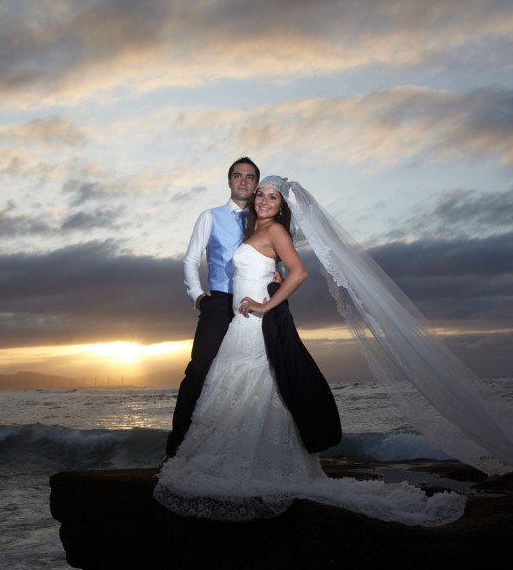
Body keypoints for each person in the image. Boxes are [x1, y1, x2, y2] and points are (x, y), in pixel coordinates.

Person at [154, 176, 468, 527]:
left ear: (282, 205)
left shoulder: (275, 231)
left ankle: (260, 463)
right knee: (236, 389)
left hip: (256, 325)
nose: (264, 201)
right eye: (261, 195)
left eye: (273, 197)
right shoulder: (255, 230)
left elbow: (299, 272)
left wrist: (266, 303)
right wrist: (271, 275)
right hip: (240, 327)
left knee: (259, 387)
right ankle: (243, 457)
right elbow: (276, 269)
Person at [166, 157, 261, 459]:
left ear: (256, 183)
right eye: (238, 175)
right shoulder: (210, 216)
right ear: (230, 181)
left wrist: (277, 274)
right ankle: (177, 449)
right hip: (218, 301)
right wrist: (197, 295)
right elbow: (191, 259)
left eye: (249, 177)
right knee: (199, 370)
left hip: (253, 304)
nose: (243, 181)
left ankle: (237, 448)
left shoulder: (264, 221)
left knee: (250, 374)